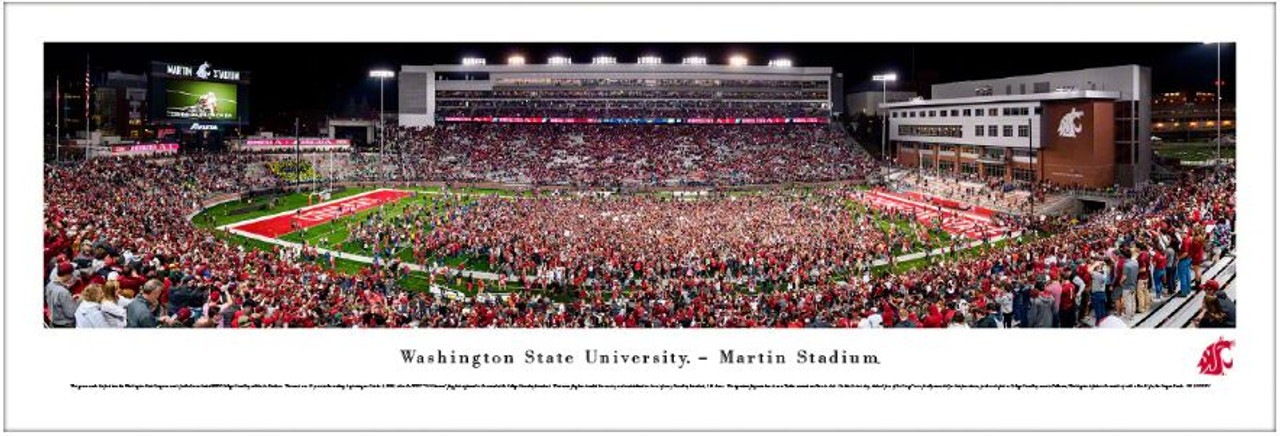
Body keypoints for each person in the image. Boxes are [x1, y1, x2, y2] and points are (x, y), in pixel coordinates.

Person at [45, 262, 78, 328]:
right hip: (64, 324)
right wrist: (78, 302)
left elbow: (54, 301)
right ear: (68, 275)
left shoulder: (50, 284)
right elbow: (71, 313)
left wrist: (70, 299)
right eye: (71, 274)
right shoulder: (63, 292)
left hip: (53, 320)